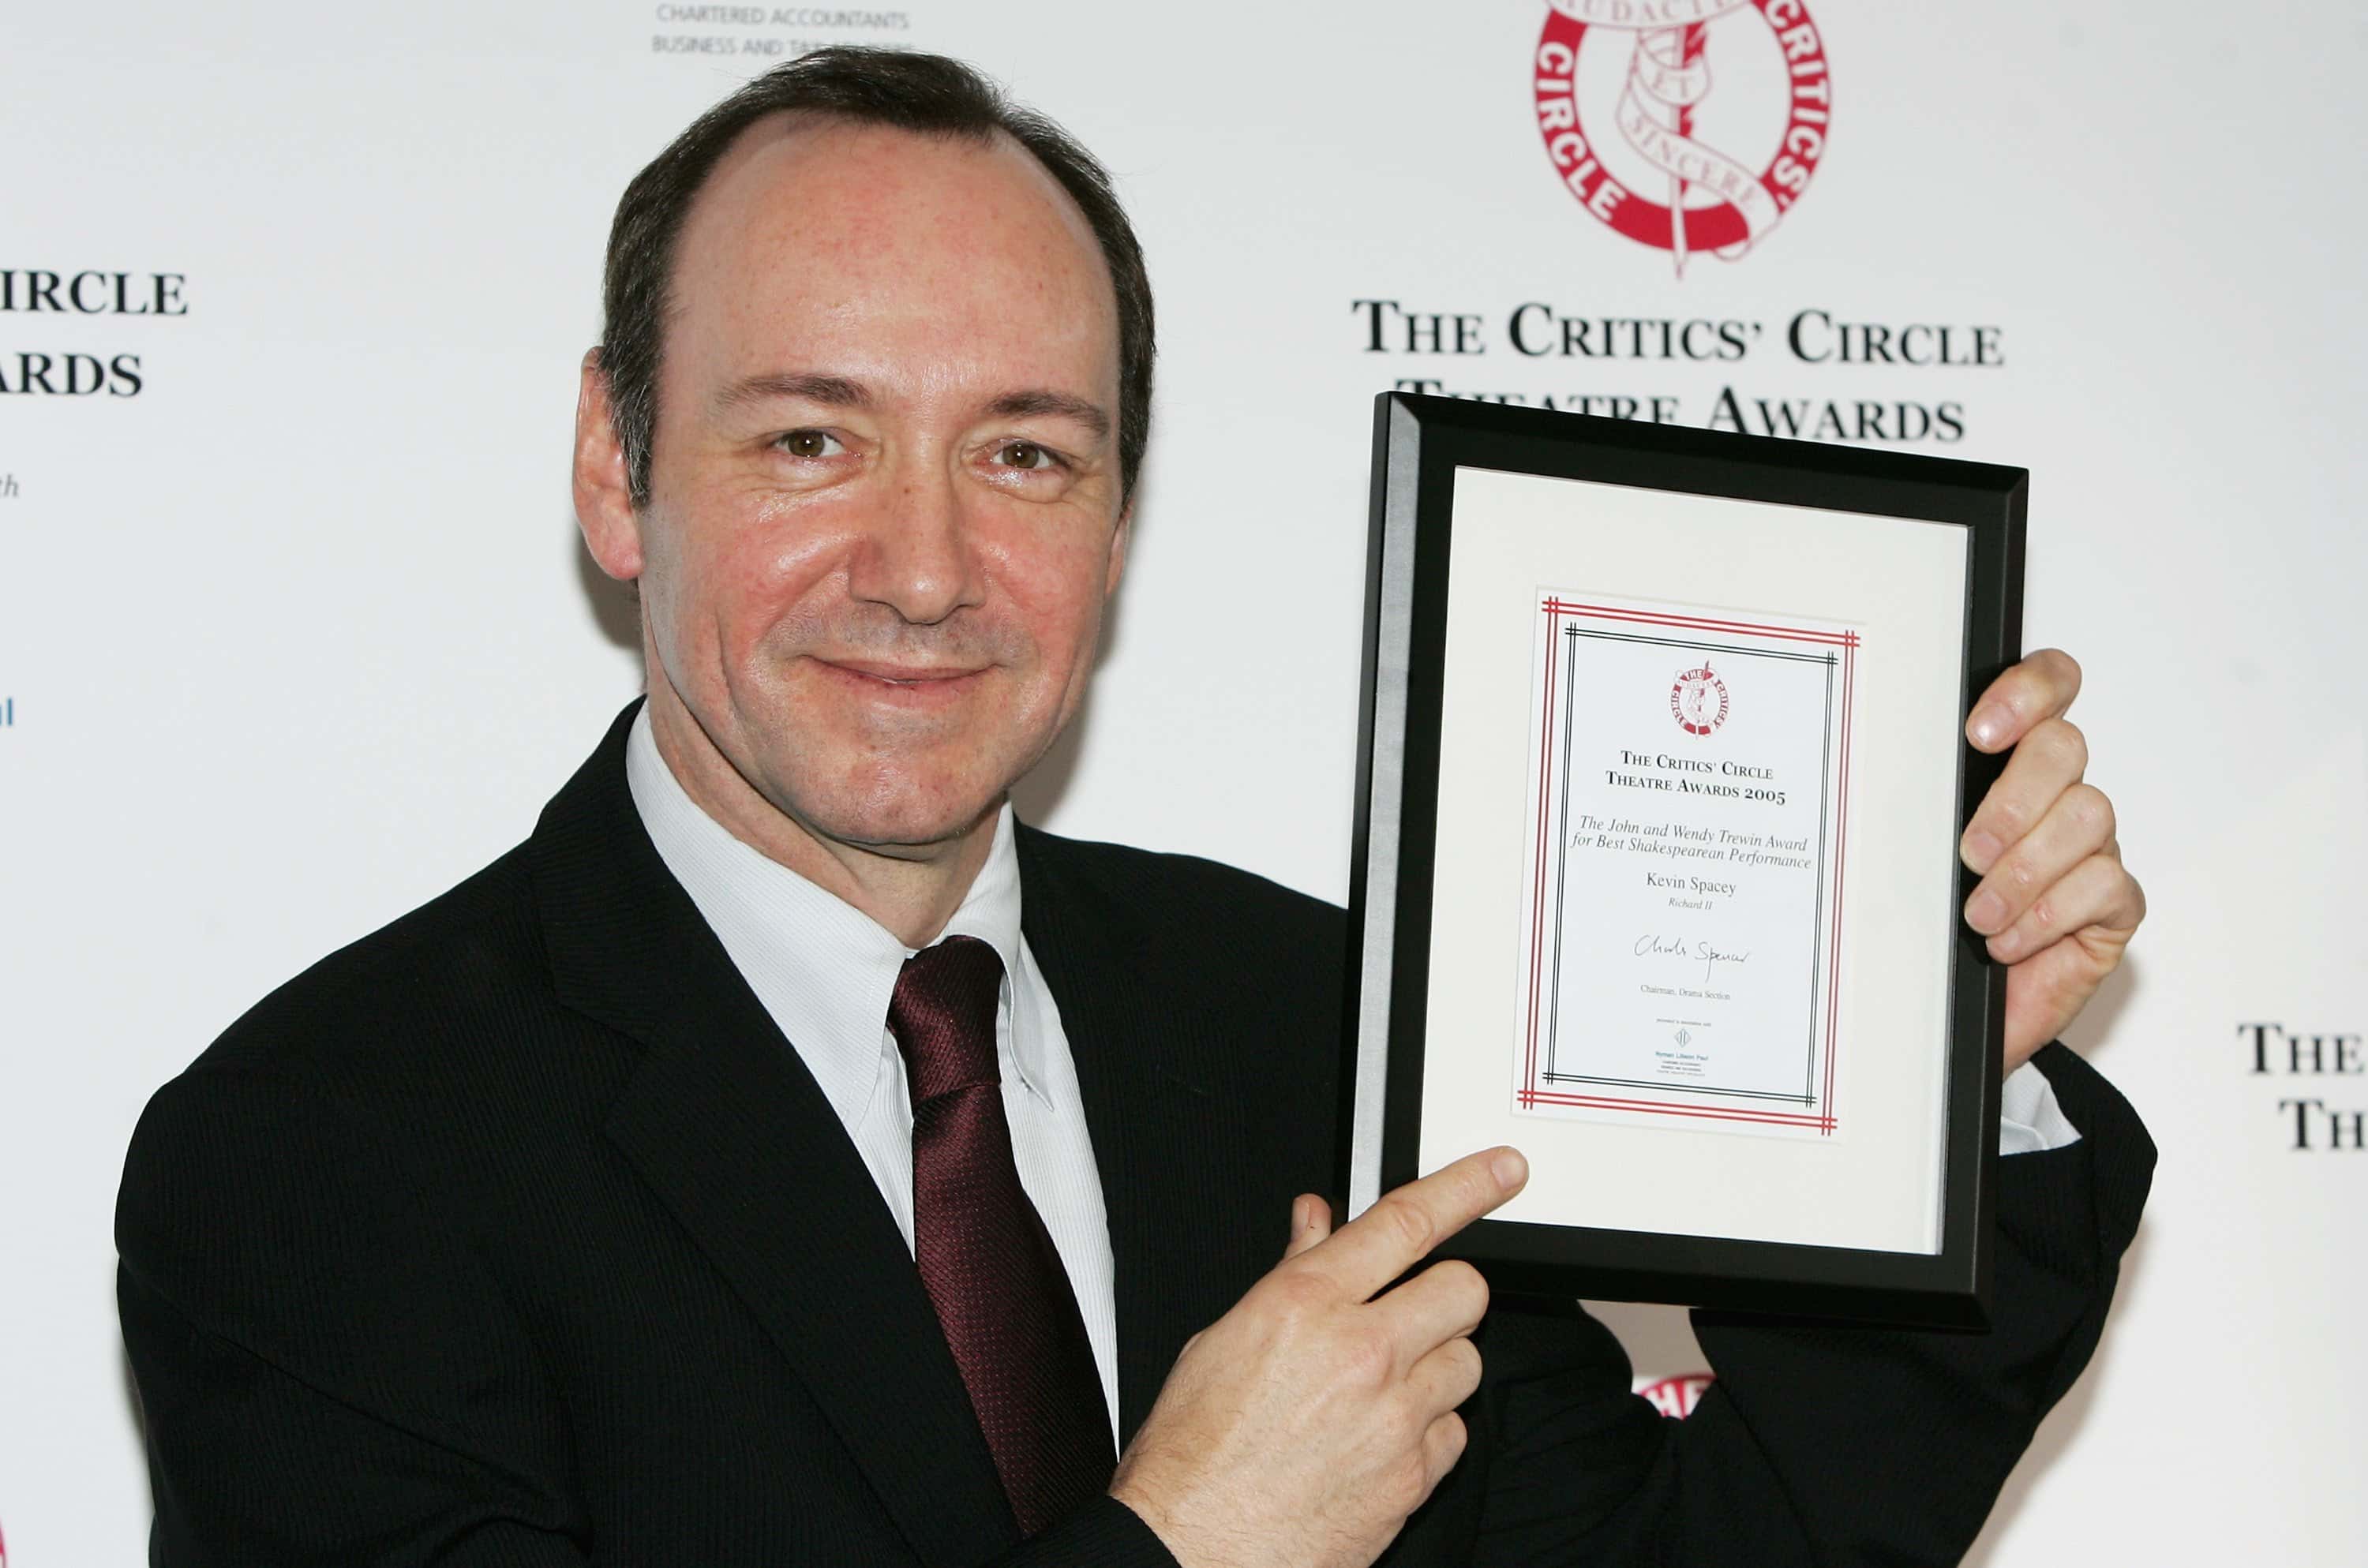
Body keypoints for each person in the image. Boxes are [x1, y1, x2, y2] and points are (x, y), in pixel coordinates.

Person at [115, 47, 2152, 1568]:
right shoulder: (318, 1161)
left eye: (1023, 456)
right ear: (616, 467)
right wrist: (1185, 1546)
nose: (920, 569)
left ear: (1118, 514)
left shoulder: (1317, 1023)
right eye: (813, 438)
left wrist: (1941, 1076)